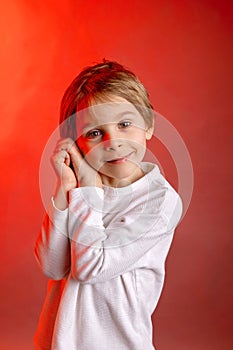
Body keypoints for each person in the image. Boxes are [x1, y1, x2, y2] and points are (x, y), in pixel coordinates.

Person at [34, 60, 182, 350]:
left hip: (118, 343)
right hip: (60, 341)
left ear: (148, 125)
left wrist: (88, 188)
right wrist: (65, 186)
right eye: (94, 133)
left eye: (125, 124)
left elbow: (92, 268)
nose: (112, 142)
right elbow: (52, 266)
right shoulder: (80, 188)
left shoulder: (159, 202)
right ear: (76, 144)